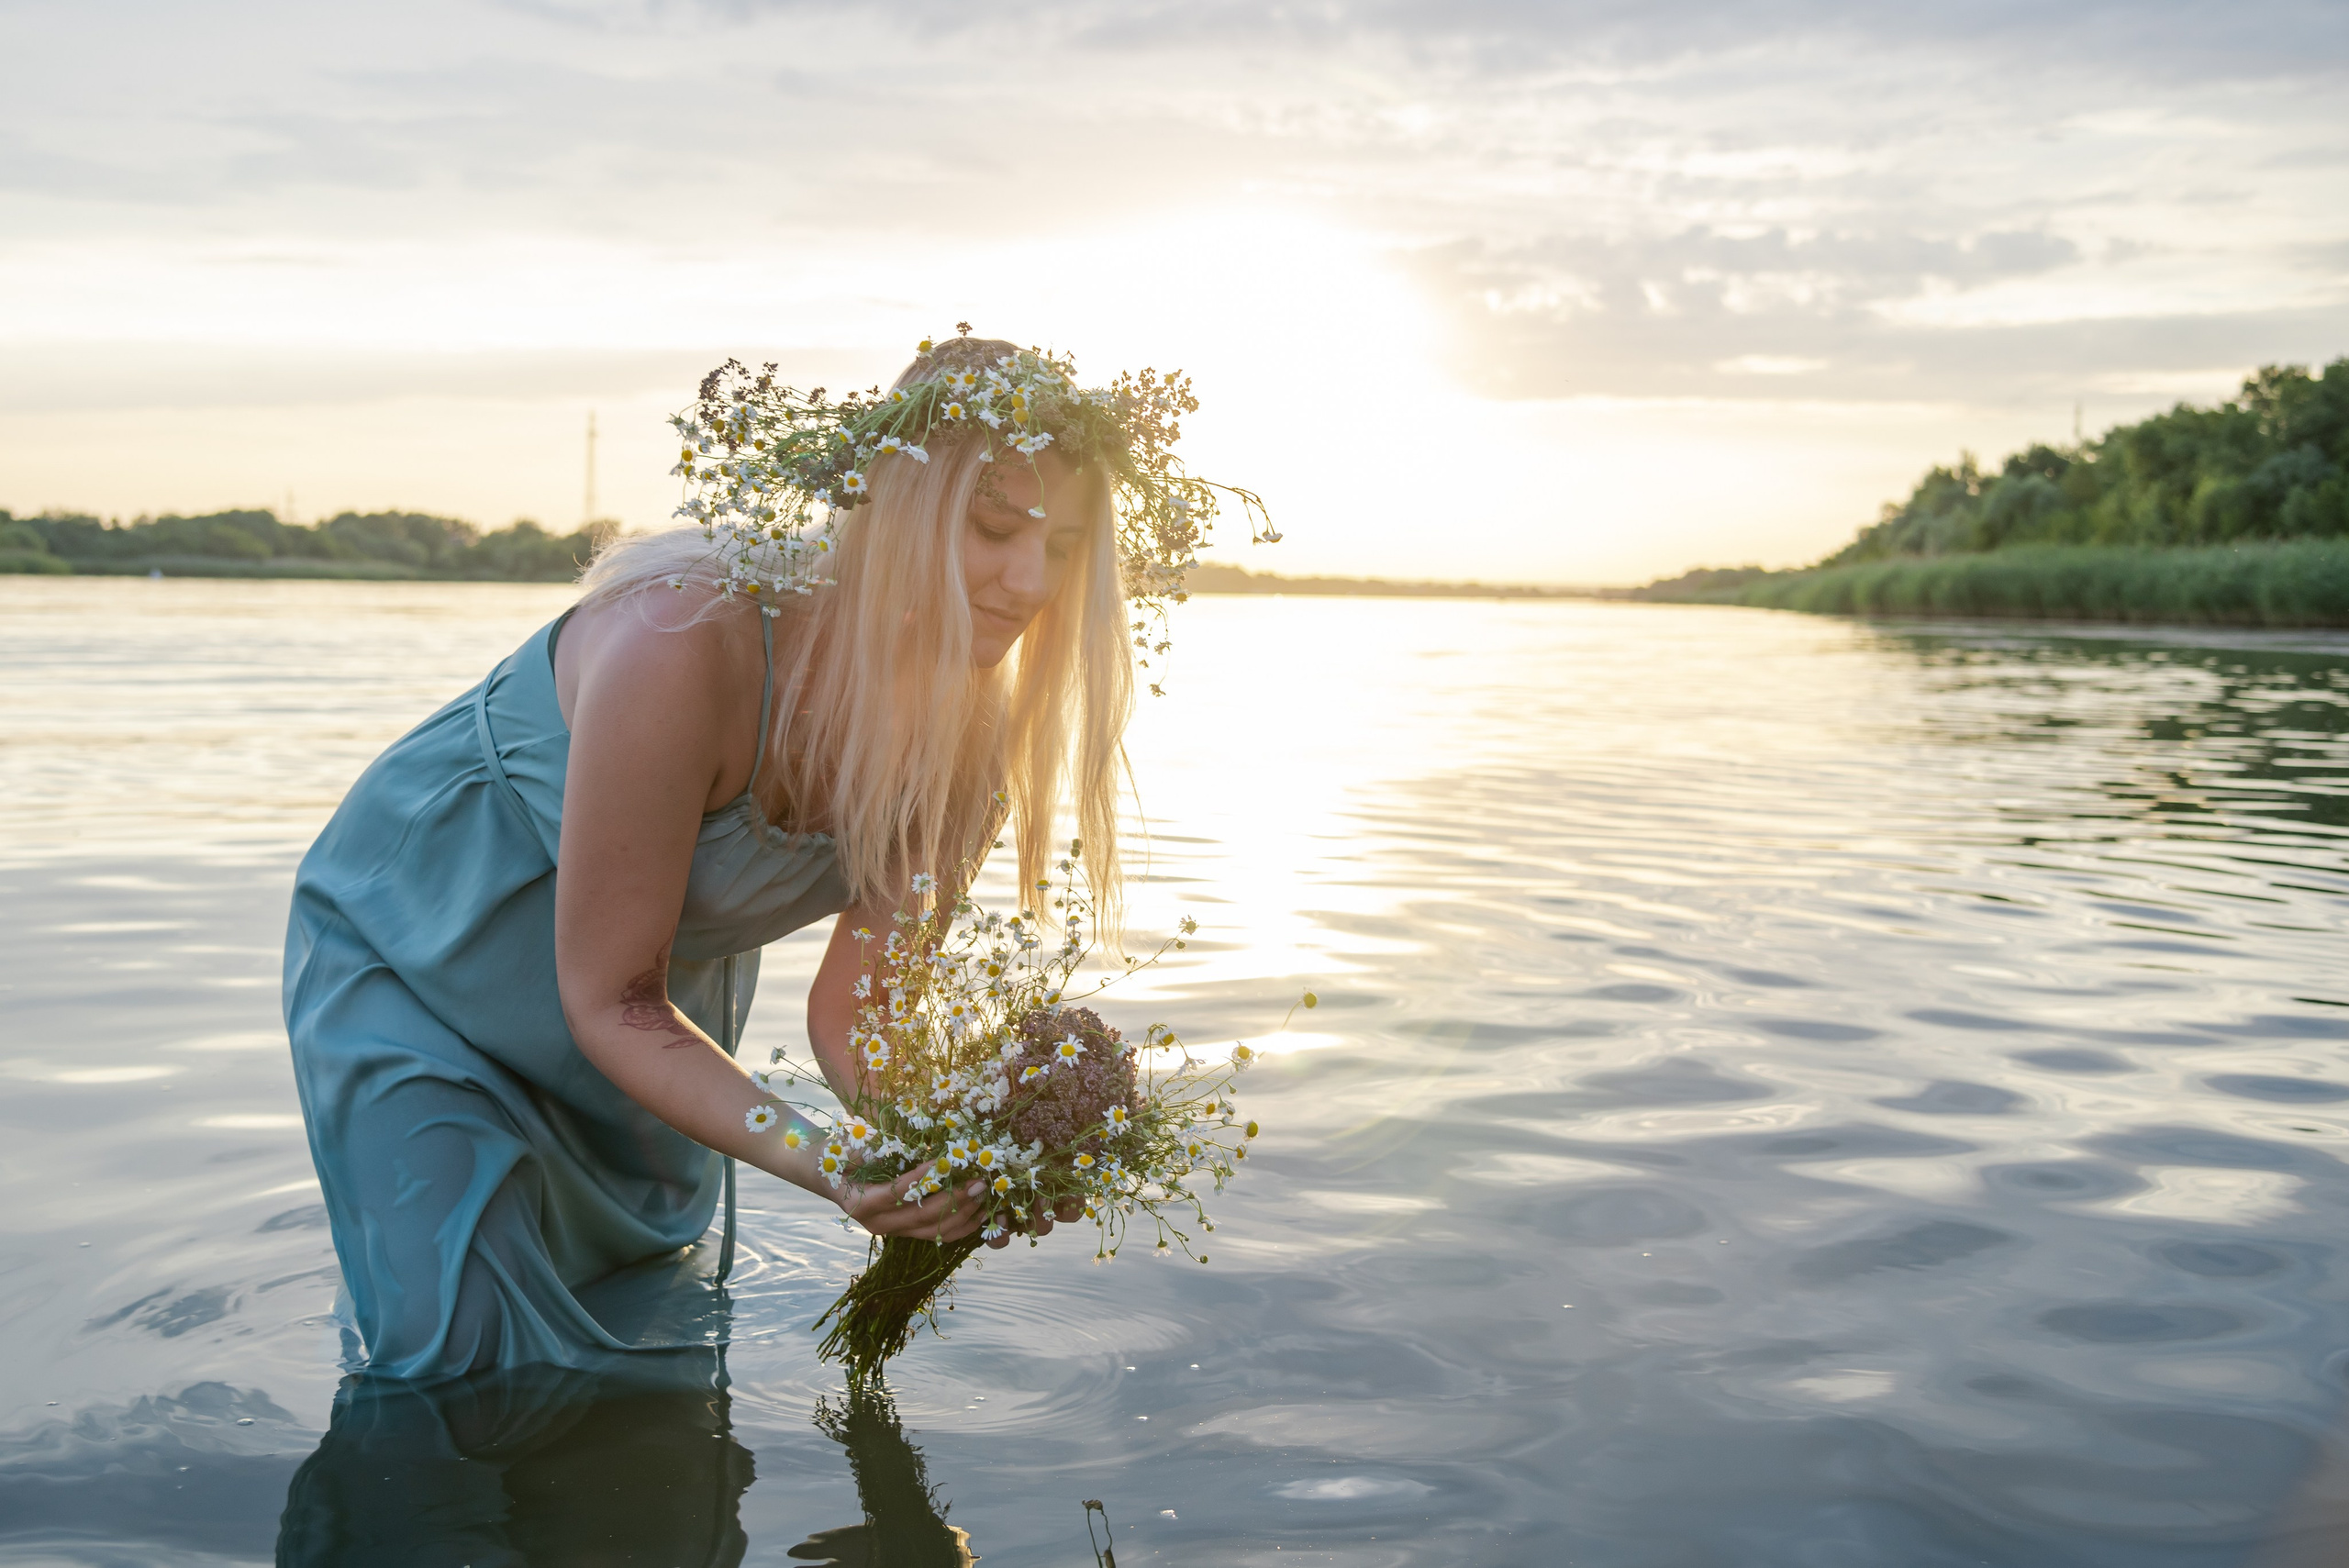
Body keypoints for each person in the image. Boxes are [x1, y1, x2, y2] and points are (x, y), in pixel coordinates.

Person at [282, 333, 1263, 1379]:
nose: (1030, 581)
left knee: (639, 1351)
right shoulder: (683, 639)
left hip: (658, 1017)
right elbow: (609, 994)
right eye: (992, 528)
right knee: (456, 1352)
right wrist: (829, 1164)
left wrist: (960, 1155)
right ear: (893, 504)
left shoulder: (965, 749)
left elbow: (857, 1016)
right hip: (426, 959)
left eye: (1063, 545)